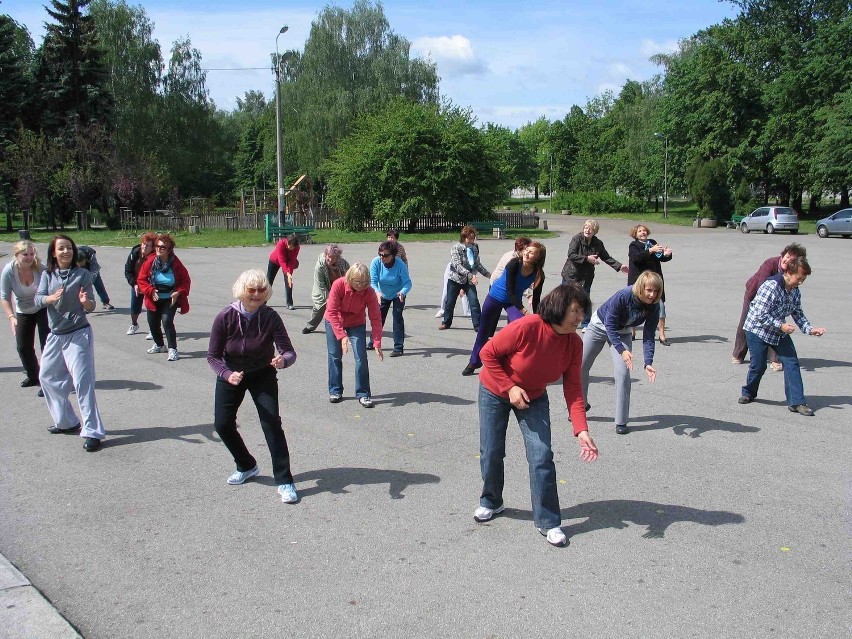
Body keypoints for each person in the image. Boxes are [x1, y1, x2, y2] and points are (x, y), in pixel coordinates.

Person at [475, 283, 599, 548]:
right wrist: (510, 388)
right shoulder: (527, 327)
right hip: (495, 390)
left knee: (541, 455)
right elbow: (487, 353)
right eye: (576, 311)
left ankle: (549, 520)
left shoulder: (574, 344)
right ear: (559, 308)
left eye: (582, 312)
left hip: (533, 396)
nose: (581, 318)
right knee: (491, 451)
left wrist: (582, 430)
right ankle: (491, 501)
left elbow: (574, 388)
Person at [207, 269, 300, 503]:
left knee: (271, 424)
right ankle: (246, 465)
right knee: (222, 424)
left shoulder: (270, 317)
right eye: (251, 290)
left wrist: (283, 360)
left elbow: (288, 351)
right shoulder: (225, 316)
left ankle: (285, 481)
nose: (256, 295)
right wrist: (227, 374)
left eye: (261, 290)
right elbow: (213, 356)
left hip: (262, 374)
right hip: (232, 374)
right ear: (242, 291)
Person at [34, 235, 106, 452]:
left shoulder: (83, 274)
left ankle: (92, 431)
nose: (66, 252)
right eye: (61, 248)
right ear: (54, 253)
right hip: (56, 335)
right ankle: (67, 421)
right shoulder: (48, 275)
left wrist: (86, 303)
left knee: (83, 383)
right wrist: (49, 299)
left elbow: (91, 304)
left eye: (69, 248)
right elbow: (38, 299)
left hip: (78, 333)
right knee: (46, 376)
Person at [738, 256, 826, 416]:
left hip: (778, 330)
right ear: (788, 272)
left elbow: (797, 313)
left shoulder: (794, 291)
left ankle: (797, 402)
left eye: (803, 279)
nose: (801, 282)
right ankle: (748, 392)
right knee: (758, 366)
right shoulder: (771, 286)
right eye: (799, 278)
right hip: (757, 329)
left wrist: (809, 329)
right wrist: (781, 325)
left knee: (791, 362)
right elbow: (759, 314)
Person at [581, 270, 663, 435]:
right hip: (599, 326)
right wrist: (622, 351)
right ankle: (580, 405)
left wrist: (648, 362)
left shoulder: (655, 305)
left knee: (623, 373)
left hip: (623, 332)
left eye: (655, 291)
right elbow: (610, 325)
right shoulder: (623, 296)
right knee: (580, 366)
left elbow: (648, 336)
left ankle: (621, 421)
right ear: (641, 287)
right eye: (648, 290)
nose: (652, 295)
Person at [463, 242, 546, 376]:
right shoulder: (514, 264)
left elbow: (536, 299)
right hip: (495, 297)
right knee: (483, 332)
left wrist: (537, 317)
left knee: (518, 331)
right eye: (527, 250)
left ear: (538, 258)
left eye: (531, 252)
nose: (526, 253)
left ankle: (512, 364)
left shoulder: (538, 274)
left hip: (512, 303)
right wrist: (524, 311)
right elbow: (510, 292)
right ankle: (474, 362)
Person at [732, 243, 807, 370]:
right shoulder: (770, 263)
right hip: (755, 294)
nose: (787, 260)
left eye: (792, 259)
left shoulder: (791, 274)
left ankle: (775, 359)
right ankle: (738, 354)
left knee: (777, 326)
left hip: (775, 300)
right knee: (746, 324)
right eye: (787, 256)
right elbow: (762, 285)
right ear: (783, 254)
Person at [324, 263, 384, 407]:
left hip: (356, 323)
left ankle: (363, 393)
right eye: (358, 282)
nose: (361, 285)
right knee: (335, 356)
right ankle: (335, 390)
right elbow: (331, 311)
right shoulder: (339, 285)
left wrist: (377, 342)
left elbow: (376, 318)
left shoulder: (368, 292)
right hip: (335, 320)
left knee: (361, 357)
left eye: (365, 282)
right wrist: (342, 336)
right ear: (350, 278)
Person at [1, 241, 49, 396]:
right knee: (23, 346)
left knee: (47, 346)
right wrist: (11, 317)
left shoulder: (40, 268)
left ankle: (47, 382)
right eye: (25, 254)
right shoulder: (9, 271)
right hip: (23, 310)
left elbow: (53, 284)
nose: (29, 258)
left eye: (31, 254)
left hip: (43, 308)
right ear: (17, 255)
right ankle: (33, 375)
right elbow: (4, 297)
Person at [561, 219, 628, 330]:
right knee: (564, 298)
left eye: (591, 228)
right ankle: (561, 320)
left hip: (586, 276)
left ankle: (586, 324)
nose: (588, 230)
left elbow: (606, 257)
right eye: (586, 227)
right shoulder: (576, 239)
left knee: (585, 299)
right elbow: (571, 254)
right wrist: (587, 258)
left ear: (595, 231)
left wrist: (619, 266)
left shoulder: (598, 243)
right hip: (571, 274)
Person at [137, 233, 191, 362]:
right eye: (157, 246)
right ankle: (160, 345)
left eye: (162, 247)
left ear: (169, 250)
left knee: (167, 321)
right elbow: (141, 279)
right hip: (153, 298)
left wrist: (178, 292)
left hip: (169, 298)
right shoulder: (150, 262)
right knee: (153, 323)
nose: (158, 249)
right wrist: (150, 290)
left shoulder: (176, 263)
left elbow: (185, 280)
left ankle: (173, 349)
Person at [627, 224, 673, 344]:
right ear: (635, 234)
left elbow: (660, 257)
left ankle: (662, 335)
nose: (643, 232)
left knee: (660, 307)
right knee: (635, 306)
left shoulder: (652, 242)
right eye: (640, 231)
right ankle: (632, 331)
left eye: (644, 231)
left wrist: (667, 255)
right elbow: (636, 258)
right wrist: (650, 251)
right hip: (639, 281)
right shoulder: (634, 245)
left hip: (655, 280)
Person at [440, 225, 490, 331]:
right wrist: (471, 275)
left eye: (473, 238)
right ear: (463, 238)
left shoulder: (474, 248)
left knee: (474, 302)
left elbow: (477, 264)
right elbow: (457, 266)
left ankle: (478, 325)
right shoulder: (456, 248)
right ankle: (446, 322)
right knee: (450, 302)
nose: (471, 241)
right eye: (469, 238)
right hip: (455, 279)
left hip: (468, 280)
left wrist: (489, 275)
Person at [369, 241, 413, 357]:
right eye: (380, 254)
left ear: (393, 255)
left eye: (385, 255)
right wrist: (377, 292)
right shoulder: (376, 262)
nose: (382, 257)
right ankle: (373, 341)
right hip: (382, 293)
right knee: (378, 317)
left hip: (398, 293)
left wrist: (403, 292)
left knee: (397, 317)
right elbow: (372, 282)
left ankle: (398, 347)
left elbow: (408, 283)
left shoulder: (400, 265)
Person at [303, 245, 350, 334]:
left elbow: (349, 275)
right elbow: (320, 285)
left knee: (343, 307)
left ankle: (344, 327)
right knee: (320, 307)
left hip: (338, 287)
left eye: (333, 258)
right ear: (325, 255)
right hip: (323, 289)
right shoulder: (320, 267)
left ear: (338, 257)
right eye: (329, 257)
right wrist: (330, 299)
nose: (331, 260)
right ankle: (310, 326)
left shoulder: (343, 263)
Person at [123, 232, 157, 336]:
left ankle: (153, 329)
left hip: (150, 285)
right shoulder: (134, 253)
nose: (144, 247)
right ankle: (134, 324)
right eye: (143, 244)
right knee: (135, 306)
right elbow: (128, 271)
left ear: (152, 247)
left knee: (151, 308)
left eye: (147, 245)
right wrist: (134, 284)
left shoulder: (155, 257)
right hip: (137, 283)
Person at [75, 245, 114, 310]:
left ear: (85, 259)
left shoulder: (90, 254)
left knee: (98, 284)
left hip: (91, 269)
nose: (82, 265)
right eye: (79, 264)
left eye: (82, 263)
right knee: (79, 287)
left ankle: (106, 302)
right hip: (77, 271)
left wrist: (90, 281)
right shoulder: (72, 256)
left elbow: (95, 269)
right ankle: (82, 305)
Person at [267, 234, 300, 310]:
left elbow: (292, 260)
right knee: (269, 281)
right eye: (290, 245)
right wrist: (286, 272)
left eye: (293, 247)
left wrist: (289, 273)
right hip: (275, 261)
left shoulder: (297, 247)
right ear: (287, 242)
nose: (291, 248)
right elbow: (281, 260)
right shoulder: (280, 244)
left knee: (289, 281)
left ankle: (289, 303)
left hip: (288, 262)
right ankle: (263, 302)